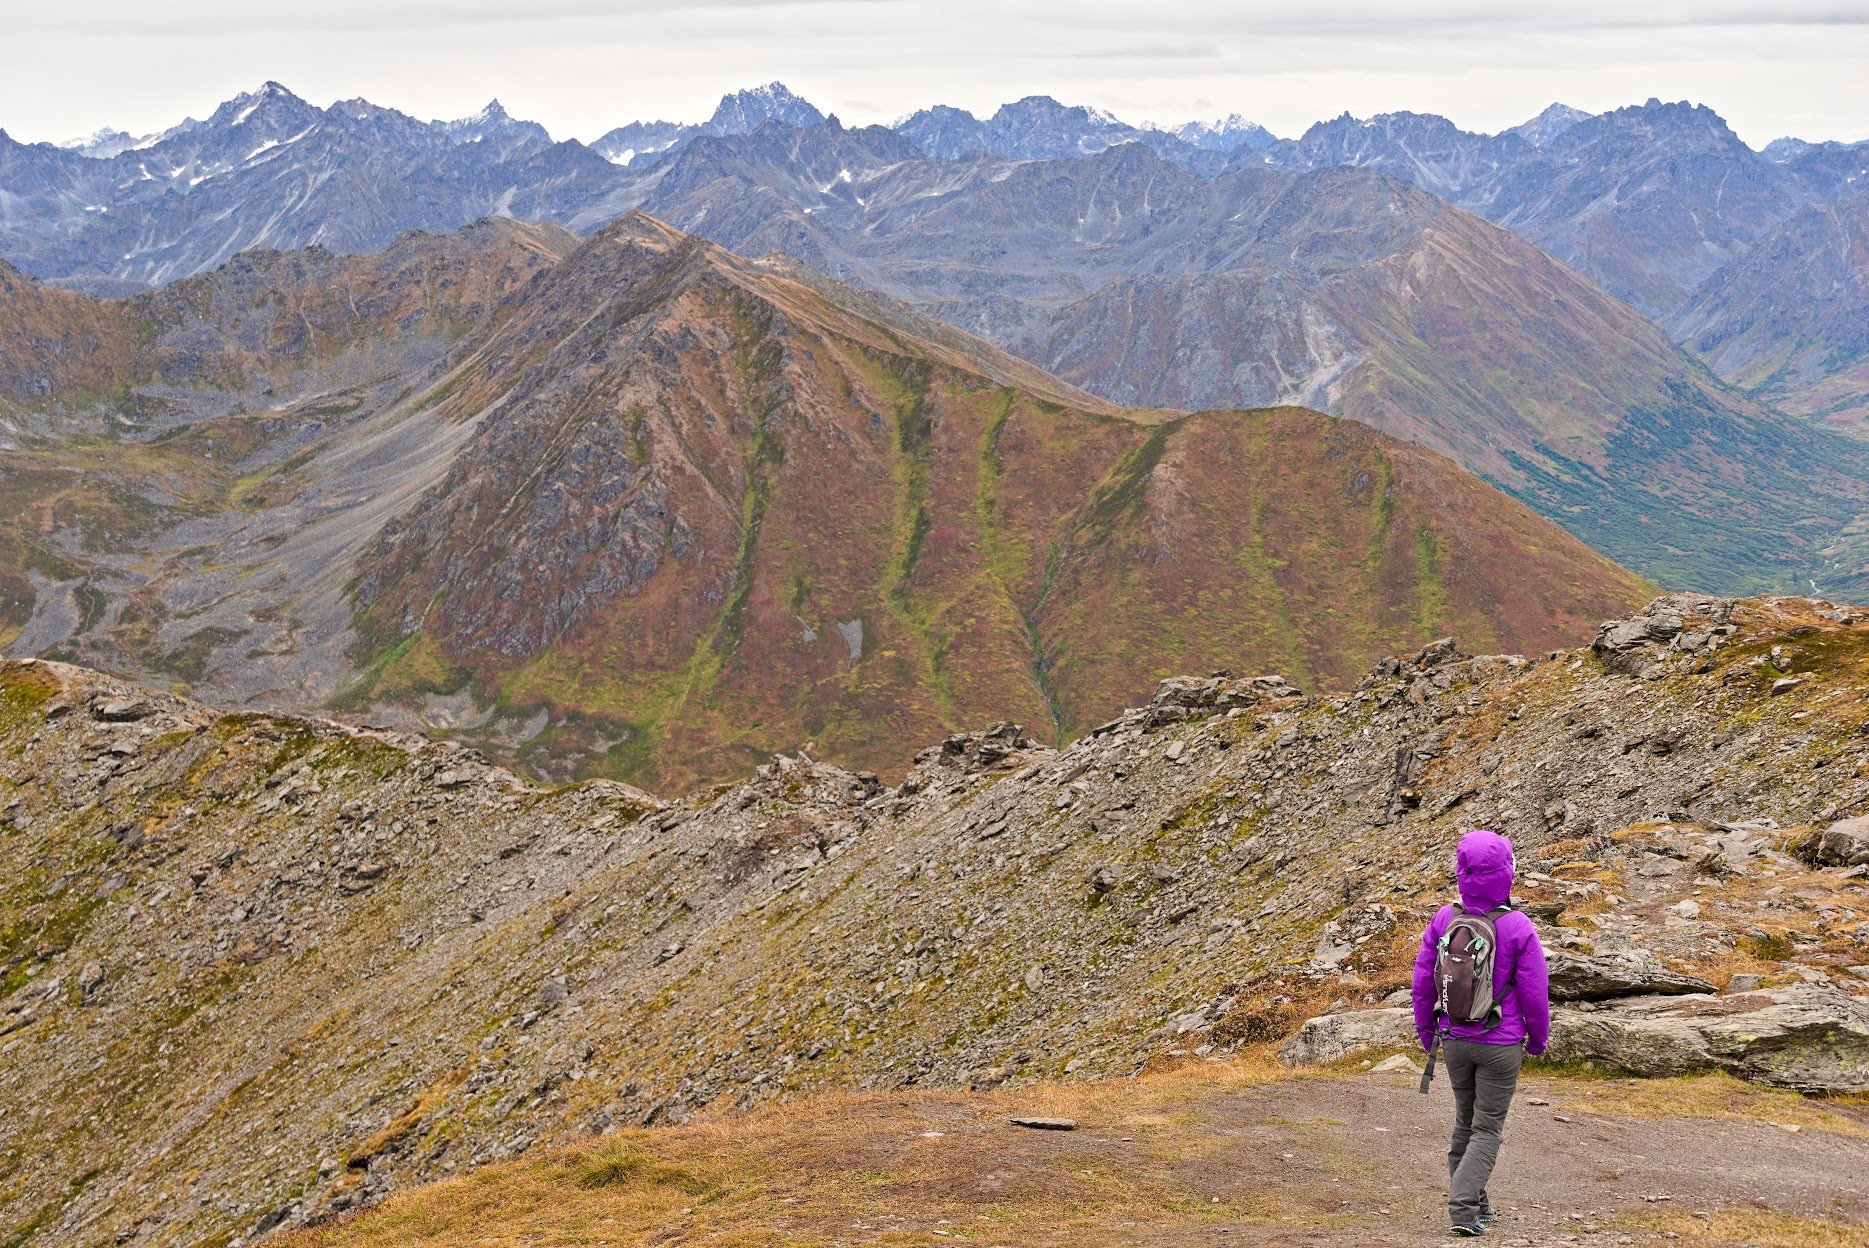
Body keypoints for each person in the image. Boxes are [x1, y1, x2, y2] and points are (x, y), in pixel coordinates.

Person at [1411, 829, 1550, 1238]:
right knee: (1487, 1128)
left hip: (1453, 1039)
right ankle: (1463, 1209)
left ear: (1461, 871)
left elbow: (1423, 981)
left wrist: (1427, 1032)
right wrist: (1538, 1039)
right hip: (1500, 1044)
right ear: (1507, 872)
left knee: (1465, 1121)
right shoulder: (1518, 926)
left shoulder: (1444, 918)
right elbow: (1534, 992)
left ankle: (1478, 1202)